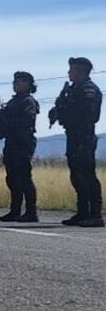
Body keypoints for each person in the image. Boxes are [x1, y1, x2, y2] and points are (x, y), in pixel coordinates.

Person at [50, 57, 103, 227]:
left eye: (72, 70)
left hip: (84, 136)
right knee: (76, 175)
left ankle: (95, 214)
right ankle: (82, 213)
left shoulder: (88, 90)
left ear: (81, 71)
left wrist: (66, 107)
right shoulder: (73, 90)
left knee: (87, 175)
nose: (69, 73)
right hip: (73, 135)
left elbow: (89, 115)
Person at [0, 71, 39, 222]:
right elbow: (2, 125)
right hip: (11, 141)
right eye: (15, 81)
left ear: (28, 84)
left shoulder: (28, 101)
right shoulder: (13, 102)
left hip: (23, 142)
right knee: (12, 178)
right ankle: (15, 210)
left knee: (24, 177)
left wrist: (7, 121)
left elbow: (25, 121)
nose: (16, 84)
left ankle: (31, 212)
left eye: (19, 81)